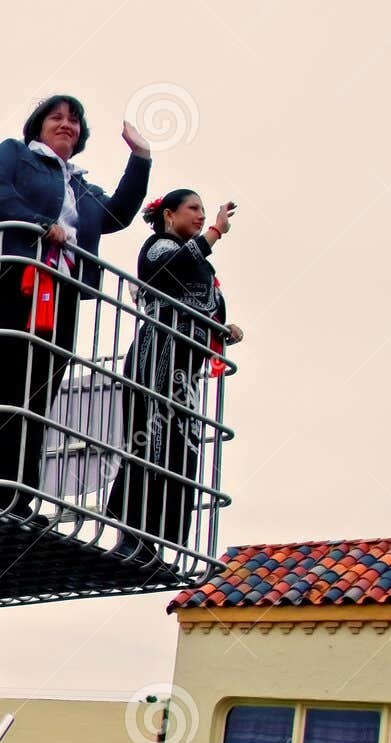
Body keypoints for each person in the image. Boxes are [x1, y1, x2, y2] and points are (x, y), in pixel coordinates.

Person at [0, 95, 152, 517]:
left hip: (57, 293)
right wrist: (42, 225)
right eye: (56, 117)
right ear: (38, 126)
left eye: (74, 120)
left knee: (38, 392)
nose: (66, 124)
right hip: (6, 279)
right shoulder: (15, 156)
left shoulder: (79, 186)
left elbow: (116, 214)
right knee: (0, 382)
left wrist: (141, 159)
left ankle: (17, 496)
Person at [105, 189, 242, 560]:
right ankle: (133, 537)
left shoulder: (201, 261)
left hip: (185, 374)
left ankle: (160, 542)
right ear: (169, 214)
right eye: (193, 209)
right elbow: (175, 268)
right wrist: (215, 231)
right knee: (148, 443)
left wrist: (224, 328)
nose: (200, 216)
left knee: (180, 452)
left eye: (202, 210)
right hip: (155, 360)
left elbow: (206, 302)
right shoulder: (157, 248)